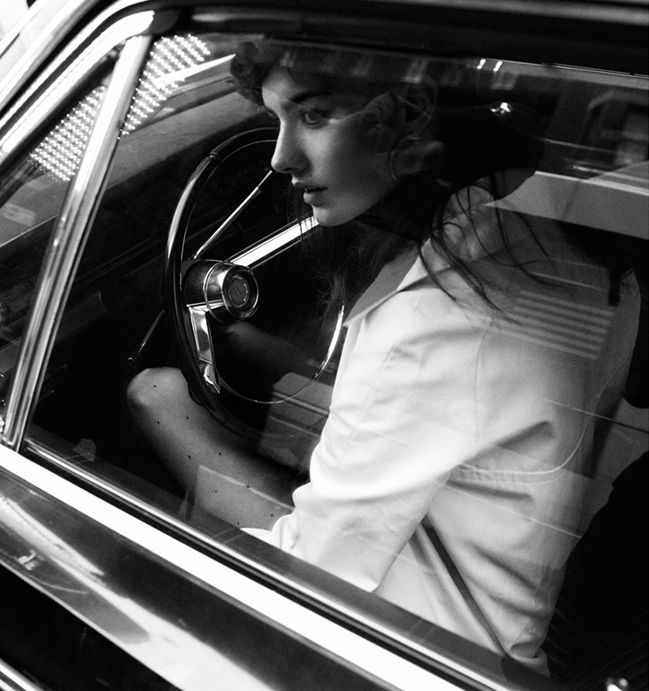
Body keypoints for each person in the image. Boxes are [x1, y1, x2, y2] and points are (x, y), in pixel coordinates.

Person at [128, 41, 640, 675]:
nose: (281, 158)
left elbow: (307, 576)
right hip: (500, 596)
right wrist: (240, 342)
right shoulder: (531, 230)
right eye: (276, 119)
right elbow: (437, 415)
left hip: (415, 651)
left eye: (314, 116)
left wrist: (158, 403)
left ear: (410, 111)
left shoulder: (435, 313)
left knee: (154, 395)